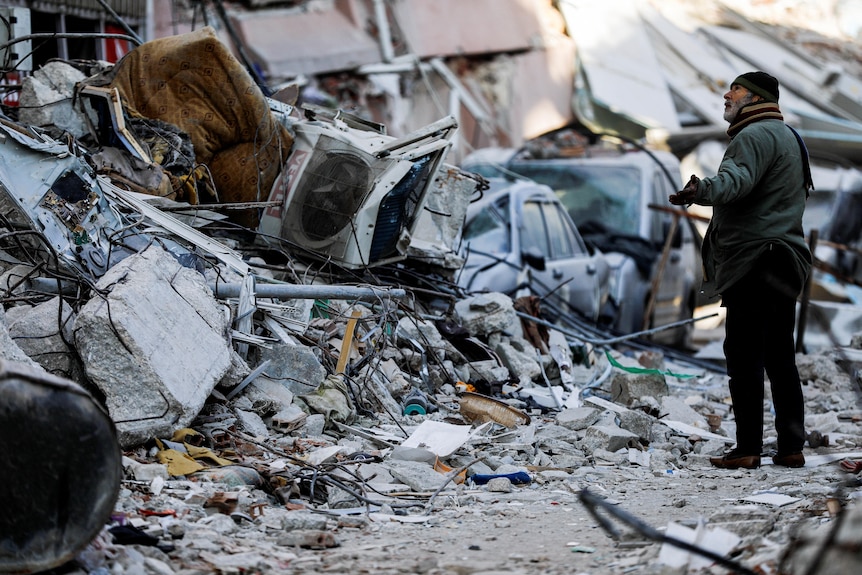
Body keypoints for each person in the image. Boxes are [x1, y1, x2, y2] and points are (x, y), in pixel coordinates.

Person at [669, 71, 813, 470]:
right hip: (785, 258)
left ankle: (748, 448)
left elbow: (736, 181)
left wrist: (701, 190)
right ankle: (790, 448)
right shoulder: (790, 138)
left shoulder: (753, 137)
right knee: (780, 356)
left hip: (756, 259)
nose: (726, 95)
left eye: (734, 89)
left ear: (755, 97)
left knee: (744, 354)